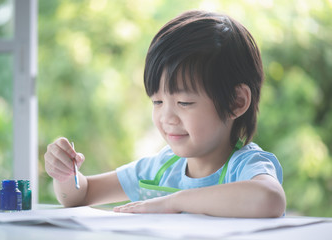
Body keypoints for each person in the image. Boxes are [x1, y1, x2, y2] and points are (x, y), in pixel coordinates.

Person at [44, 10, 286, 218]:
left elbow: (270, 199)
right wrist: (65, 174)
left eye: (184, 102)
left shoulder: (245, 165)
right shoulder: (161, 168)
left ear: (236, 102)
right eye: (157, 101)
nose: (167, 117)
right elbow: (82, 194)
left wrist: (173, 202)